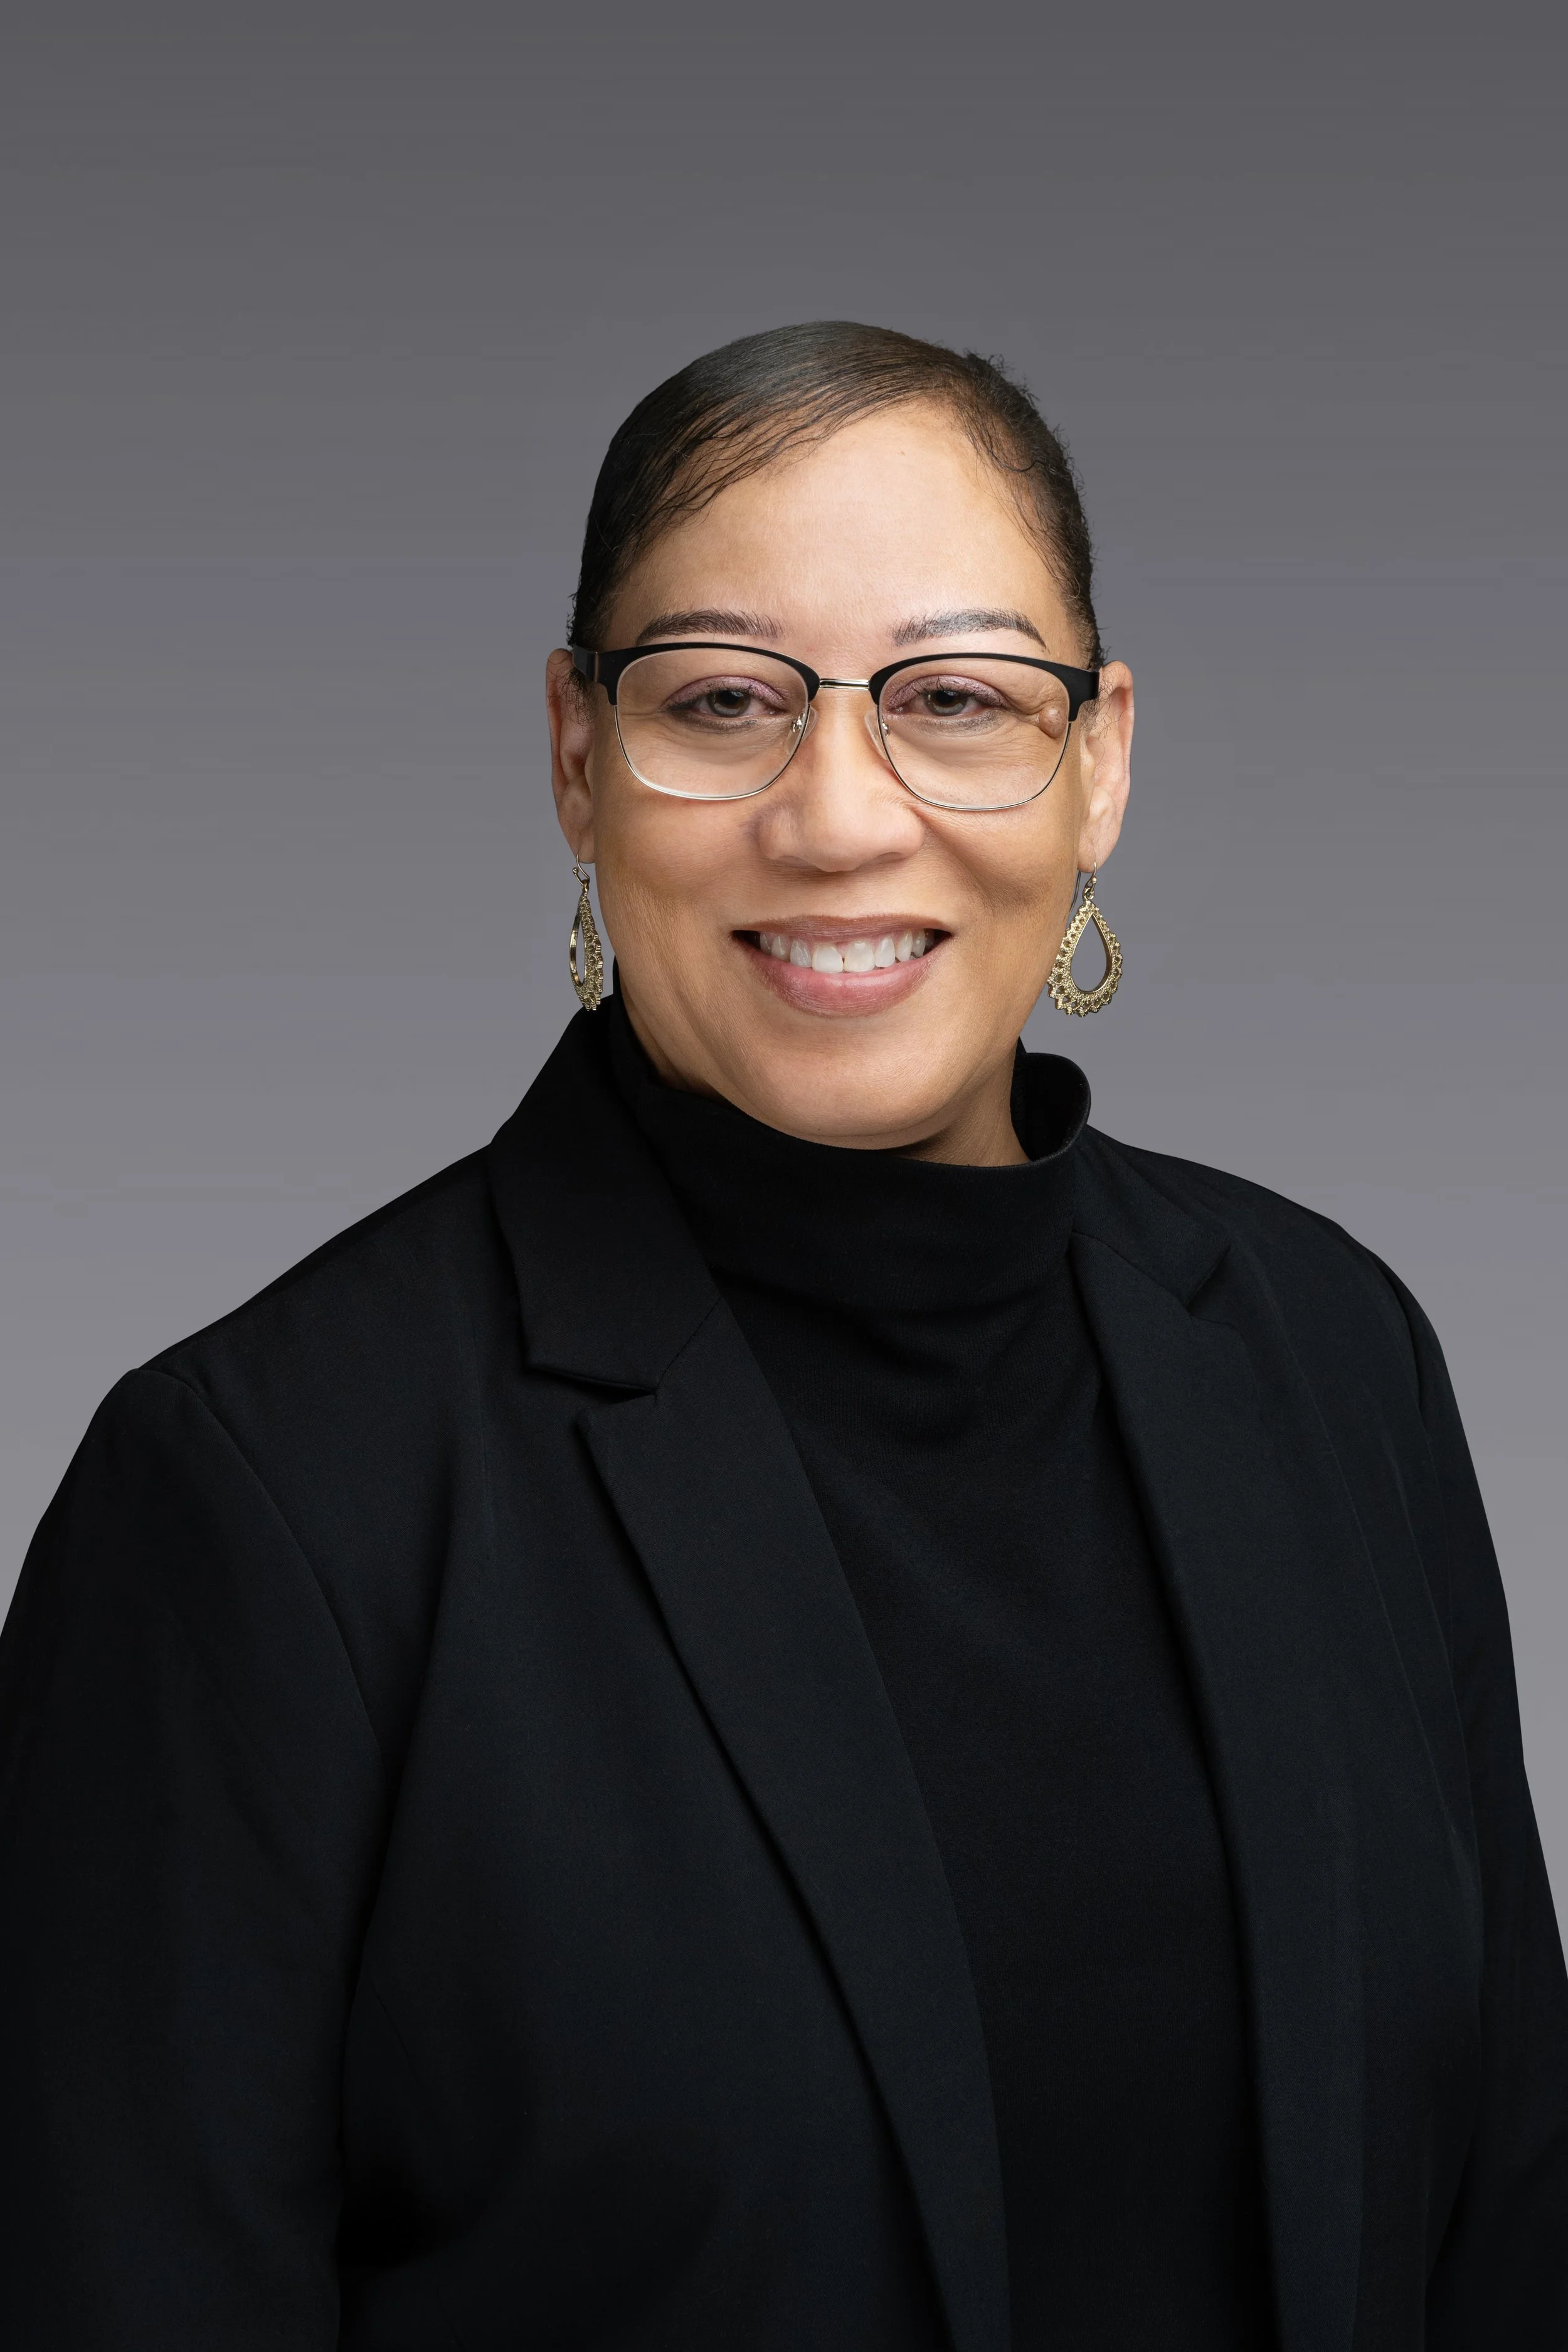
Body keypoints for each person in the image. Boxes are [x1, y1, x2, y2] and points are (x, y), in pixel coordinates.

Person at [1, 321, 1564, 2352]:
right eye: (724, 699)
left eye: (956, 700)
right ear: (576, 755)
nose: (837, 817)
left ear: (1097, 762)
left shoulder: (1333, 1353)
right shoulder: (268, 1496)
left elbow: (1508, 2226)